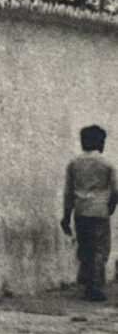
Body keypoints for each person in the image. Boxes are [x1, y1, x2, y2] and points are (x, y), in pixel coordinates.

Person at [62, 124, 118, 302]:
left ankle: (87, 284)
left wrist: (66, 216)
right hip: (100, 211)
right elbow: (116, 190)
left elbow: (68, 191)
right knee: (100, 250)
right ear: (101, 142)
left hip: (80, 211)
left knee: (85, 248)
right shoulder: (107, 164)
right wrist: (111, 207)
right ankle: (95, 287)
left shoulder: (74, 163)